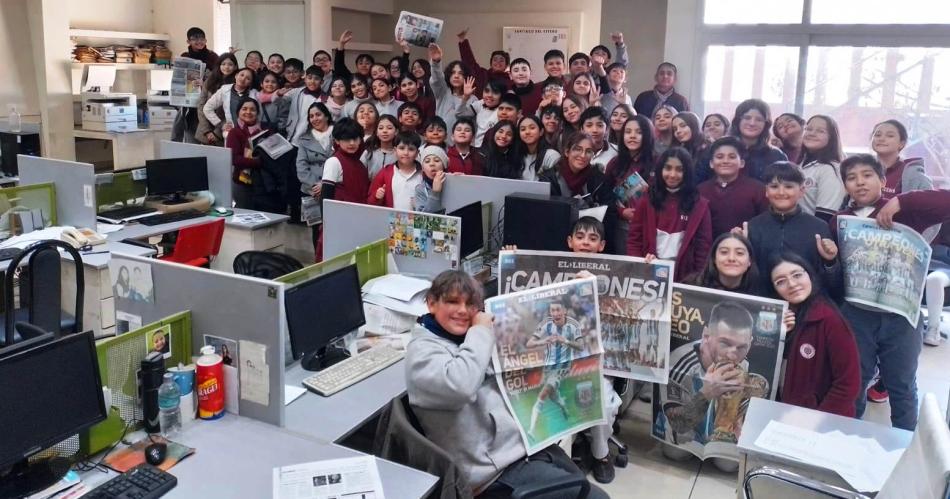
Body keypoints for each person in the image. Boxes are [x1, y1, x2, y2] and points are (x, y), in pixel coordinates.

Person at [405, 270, 609, 498]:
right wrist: (480, 330)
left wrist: (571, 291)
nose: (463, 310)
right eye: (453, 302)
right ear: (431, 304)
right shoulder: (422, 353)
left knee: (583, 485)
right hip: (491, 472)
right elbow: (461, 386)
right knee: (594, 497)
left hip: (520, 449)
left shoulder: (465, 337)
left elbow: (530, 329)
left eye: (470, 304)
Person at [828, 153, 950, 430]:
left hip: (901, 316)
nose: (859, 182)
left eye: (867, 175)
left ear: (882, 181)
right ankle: (848, 442)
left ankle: (904, 448)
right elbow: (835, 275)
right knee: (854, 382)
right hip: (857, 315)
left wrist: (901, 200)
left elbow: (946, 200)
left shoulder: (905, 212)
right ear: (844, 185)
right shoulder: (840, 220)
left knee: (902, 385)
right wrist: (829, 260)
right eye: (851, 177)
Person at [662, 301, 767, 448]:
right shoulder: (679, 362)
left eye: (742, 347)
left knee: (727, 465)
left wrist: (739, 422)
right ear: (706, 335)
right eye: (725, 343)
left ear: (750, 343)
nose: (732, 355)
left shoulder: (743, 364)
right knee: (678, 452)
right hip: (683, 435)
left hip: (717, 432)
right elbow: (678, 425)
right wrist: (706, 393)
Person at [767, 252, 860, 417]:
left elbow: (848, 384)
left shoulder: (830, 320)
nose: (792, 284)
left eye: (797, 275)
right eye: (780, 282)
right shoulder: (776, 319)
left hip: (820, 423)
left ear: (809, 275)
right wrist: (779, 336)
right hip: (784, 415)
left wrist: (815, 422)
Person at [743, 161, 842, 298]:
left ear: (802, 191)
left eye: (789, 186)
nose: (781, 192)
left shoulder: (818, 227)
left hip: (807, 303)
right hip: (765, 303)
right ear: (766, 191)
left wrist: (830, 261)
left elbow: (833, 283)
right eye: (774, 186)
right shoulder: (753, 226)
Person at [627, 147, 712, 282]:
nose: (672, 175)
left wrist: (697, 278)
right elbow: (634, 238)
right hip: (648, 271)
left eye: (679, 169)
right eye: (668, 168)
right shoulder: (647, 199)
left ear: (688, 172)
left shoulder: (699, 205)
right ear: (660, 170)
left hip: (685, 276)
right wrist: (639, 266)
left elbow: (703, 248)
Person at [540, 133, 618, 251]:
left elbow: (610, 213)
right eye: (577, 149)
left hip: (590, 244)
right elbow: (542, 216)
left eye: (588, 151)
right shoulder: (549, 178)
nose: (582, 155)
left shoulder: (599, 179)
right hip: (556, 242)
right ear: (567, 152)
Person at [696, 136, 767, 238]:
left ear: (742, 163)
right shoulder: (701, 190)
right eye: (720, 157)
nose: (725, 161)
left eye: (732, 157)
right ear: (711, 163)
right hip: (710, 250)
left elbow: (764, 225)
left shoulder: (758, 189)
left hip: (747, 249)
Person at [606, 115, 654, 248]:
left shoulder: (658, 162)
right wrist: (621, 211)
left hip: (650, 225)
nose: (632, 136)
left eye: (639, 132)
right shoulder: (615, 163)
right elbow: (607, 196)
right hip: (622, 226)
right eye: (628, 132)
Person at [296, 102, 334, 249]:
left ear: (327, 116)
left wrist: (325, 184)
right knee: (316, 231)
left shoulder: (338, 135)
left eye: (318, 114)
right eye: (311, 116)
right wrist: (315, 186)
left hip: (333, 188)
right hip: (312, 192)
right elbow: (301, 167)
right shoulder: (304, 139)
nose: (315, 118)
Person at [726, 99, 787, 181]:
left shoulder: (776, 155)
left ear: (766, 124)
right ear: (737, 121)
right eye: (747, 118)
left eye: (759, 119)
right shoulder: (720, 150)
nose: (752, 123)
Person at [871, 119, 932, 199]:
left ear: (902, 144)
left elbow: (928, 208)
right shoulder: (859, 169)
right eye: (877, 135)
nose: (881, 139)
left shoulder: (916, 178)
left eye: (890, 135)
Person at [799, 115, 847, 219]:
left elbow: (826, 215)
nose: (812, 133)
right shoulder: (800, 163)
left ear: (832, 138)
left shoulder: (831, 169)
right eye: (808, 129)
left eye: (820, 131)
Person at [367, 131, 423, 210]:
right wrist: (376, 196)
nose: (406, 153)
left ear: (417, 153)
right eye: (402, 148)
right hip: (390, 221)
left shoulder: (423, 174)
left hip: (416, 221)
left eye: (411, 149)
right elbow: (370, 202)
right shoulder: (385, 172)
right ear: (395, 150)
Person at [225, 97, 263, 209]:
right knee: (244, 212)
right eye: (244, 109)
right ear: (238, 112)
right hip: (241, 182)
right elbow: (234, 159)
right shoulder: (234, 132)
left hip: (263, 181)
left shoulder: (265, 130)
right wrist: (259, 162)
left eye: (252, 109)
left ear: (257, 113)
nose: (248, 112)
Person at [692, 232, 761, 294]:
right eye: (724, 252)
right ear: (714, 259)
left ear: (749, 261)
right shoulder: (691, 288)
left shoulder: (760, 296)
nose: (731, 258)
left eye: (739, 253)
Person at [428, 43, 468, 145]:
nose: (456, 76)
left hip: (461, 146)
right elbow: (437, 78)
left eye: (460, 73)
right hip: (439, 142)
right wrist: (436, 62)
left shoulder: (473, 99)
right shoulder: (443, 91)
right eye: (453, 73)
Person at [194, 53, 238, 145]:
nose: (226, 67)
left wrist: (217, 132)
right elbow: (201, 105)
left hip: (224, 132)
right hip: (205, 132)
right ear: (219, 65)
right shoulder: (210, 80)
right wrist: (207, 130)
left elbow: (233, 112)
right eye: (223, 64)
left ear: (235, 67)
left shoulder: (236, 84)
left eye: (230, 64)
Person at [456, 27, 510, 93]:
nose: (498, 62)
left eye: (501, 60)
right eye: (495, 60)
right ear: (491, 63)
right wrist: (463, 41)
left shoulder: (510, 81)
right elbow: (470, 64)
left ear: (506, 65)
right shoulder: (483, 75)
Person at [282, 65, 325, 144]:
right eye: (309, 78)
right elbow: (279, 103)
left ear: (322, 82)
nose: (312, 81)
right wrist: (278, 94)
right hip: (290, 135)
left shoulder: (324, 100)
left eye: (316, 79)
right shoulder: (296, 92)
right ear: (305, 79)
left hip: (308, 140)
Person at [458, 77, 505, 148]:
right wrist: (465, 97)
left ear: (502, 95)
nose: (489, 95)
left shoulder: (503, 111)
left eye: (495, 92)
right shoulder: (480, 103)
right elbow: (460, 114)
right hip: (473, 149)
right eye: (487, 91)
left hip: (490, 151)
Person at [516, 115, 560, 181]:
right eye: (523, 129)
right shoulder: (518, 154)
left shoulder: (551, 156)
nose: (527, 132)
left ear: (541, 132)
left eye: (532, 128)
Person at [671, 112, 707, 181]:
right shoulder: (679, 151)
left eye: (683, 126)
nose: (678, 131)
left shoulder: (707, 149)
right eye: (675, 129)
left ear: (693, 125)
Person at [361, 114, 398, 180]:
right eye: (381, 128)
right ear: (376, 132)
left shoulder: (399, 154)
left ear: (396, 132)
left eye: (389, 128)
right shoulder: (368, 153)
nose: (384, 131)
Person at [580, 107, 617, 173]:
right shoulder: (575, 152)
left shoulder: (617, 152)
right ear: (582, 129)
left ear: (607, 129)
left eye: (600, 125)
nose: (594, 130)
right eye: (589, 125)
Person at [414, 145, 449, 213]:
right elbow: (423, 219)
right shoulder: (420, 189)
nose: (432, 164)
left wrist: (461, 180)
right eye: (427, 161)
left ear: (444, 165)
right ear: (423, 168)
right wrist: (435, 193)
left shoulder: (452, 183)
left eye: (436, 160)